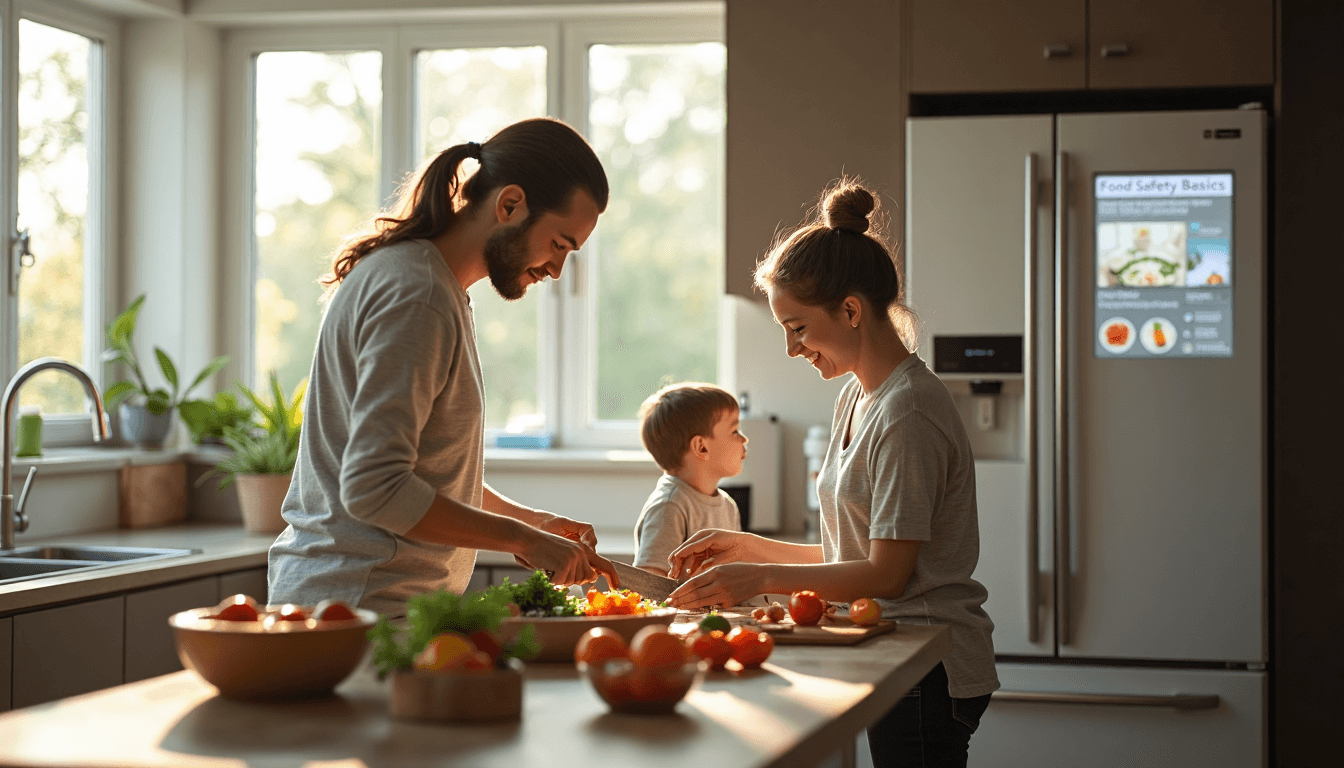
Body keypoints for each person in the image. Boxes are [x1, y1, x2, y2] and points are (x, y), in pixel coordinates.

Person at [666, 180, 998, 767]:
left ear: (850, 310)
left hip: (926, 664)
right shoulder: (858, 396)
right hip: (887, 651)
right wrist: (752, 552)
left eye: (797, 328)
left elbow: (887, 575)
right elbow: (855, 555)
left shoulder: (909, 410)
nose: (793, 349)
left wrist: (755, 579)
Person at [269, 117, 620, 617]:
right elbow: (376, 489)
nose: (557, 269)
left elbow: (425, 472)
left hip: (360, 600)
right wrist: (519, 537)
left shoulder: (428, 283)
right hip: (358, 608)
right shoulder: (419, 296)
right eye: (559, 244)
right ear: (510, 204)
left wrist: (530, 524)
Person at [631, 383, 748, 576]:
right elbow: (649, 583)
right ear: (701, 447)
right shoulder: (669, 507)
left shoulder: (728, 505)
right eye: (735, 431)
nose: (744, 440)